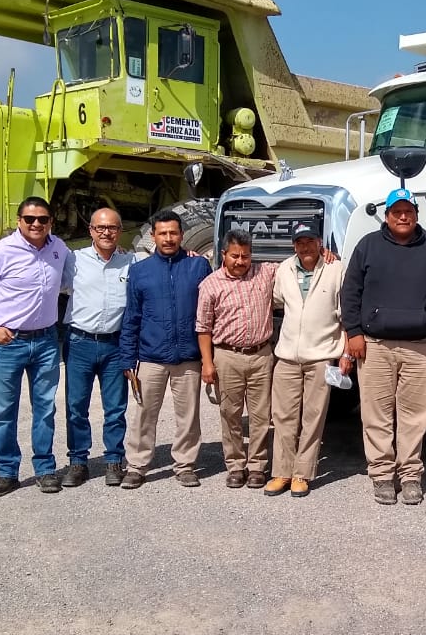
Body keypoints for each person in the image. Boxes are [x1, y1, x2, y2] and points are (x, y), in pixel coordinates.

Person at [341, 187, 426, 506]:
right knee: (376, 413)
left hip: (420, 347)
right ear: (387, 215)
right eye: (397, 212)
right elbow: (350, 292)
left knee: (415, 415)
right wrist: (354, 332)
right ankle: (382, 475)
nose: (403, 216)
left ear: (417, 215)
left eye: (408, 211)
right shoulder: (368, 246)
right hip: (375, 345)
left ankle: (410, 475)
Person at [0, 196, 68, 497]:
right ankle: (7, 472)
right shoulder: (2, 251)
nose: (36, 224)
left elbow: (79, 273)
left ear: (51, 222)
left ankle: (45, 470)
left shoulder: (59, 249)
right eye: (29, 219)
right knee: (3, 411)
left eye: (43, 219)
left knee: (45, 409)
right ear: (19, 221)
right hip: (9, 343)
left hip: (46, 341)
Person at [115, 210, 212, 489]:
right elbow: (132, 316)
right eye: (163, 233)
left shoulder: (198, 266)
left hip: (188, 356)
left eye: (173, 233)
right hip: (151, 356)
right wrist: (128, 358)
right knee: (144, 414)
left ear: (181, 235)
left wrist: (210, 357)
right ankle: (137, 466)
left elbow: (210, 311)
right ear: (154, 236)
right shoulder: (140, 271)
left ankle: (185, 465)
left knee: (188, 416)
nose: (168, 238)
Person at [264, 223, 352, 498]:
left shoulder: (336, 269)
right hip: (288, 355)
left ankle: (302, 473)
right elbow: (277, 300)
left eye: (310, 241)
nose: (305, 247)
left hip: (321, 355)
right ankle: (282, 471)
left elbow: (346, 314)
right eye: (300, 243)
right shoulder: (284, 269)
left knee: (313, 417)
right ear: (294, 245)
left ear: (319, 243)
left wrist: (346, 353)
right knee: (283, 416)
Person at [195, 230, 278, 490]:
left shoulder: (264, 273)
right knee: (230, 413)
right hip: (227, 356)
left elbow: (297, 262)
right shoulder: (210, 285)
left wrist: (324, 252)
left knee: (261, 415)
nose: (241, 261)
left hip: (261, 355)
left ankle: (257, 466)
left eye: (245, 256)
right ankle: (235, 465)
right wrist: (207, 363)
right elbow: (203, 328)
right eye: (235, 256)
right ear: (223, 254)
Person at [59, 207, 132, 489]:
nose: (106, 232)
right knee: (76, 407)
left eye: (112, 227)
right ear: (90, 230)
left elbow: (162, 257)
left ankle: (114, 460)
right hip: (80, 343)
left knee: (115, 408)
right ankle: (78, 462)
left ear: (120, 231)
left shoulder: (131, 261)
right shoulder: (73, 260)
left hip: (115, 345)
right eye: (100, 227)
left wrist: (190, 253)